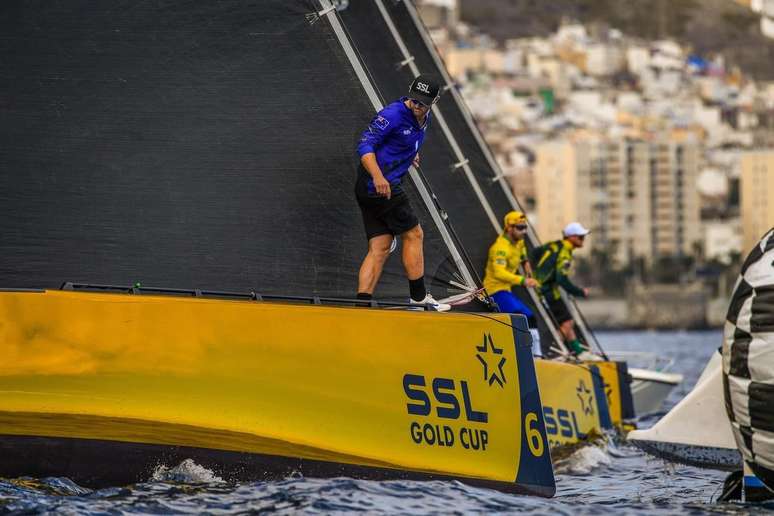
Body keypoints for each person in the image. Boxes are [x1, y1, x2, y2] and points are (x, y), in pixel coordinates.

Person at [354, 75, 450, 311]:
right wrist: (378, 177)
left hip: (372, 189)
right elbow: (365, 145)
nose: (417, 106)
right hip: (379, 187)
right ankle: (419, 299)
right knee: (414, 234)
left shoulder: (423, 117)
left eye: (423, 103)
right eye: (415, 101)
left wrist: (409, 153)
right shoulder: (393, 114)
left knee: (380, 247)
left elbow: (403, 140)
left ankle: (361, 305)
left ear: (434, 101)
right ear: (410, 93)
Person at [532, 222, 590, 355]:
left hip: (541, 289)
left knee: (567, 322)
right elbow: (561, 279)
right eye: (581, 237)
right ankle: (553, 351)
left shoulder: (554, 245)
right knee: (568, 322)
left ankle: (579, 352)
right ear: (571, 237)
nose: (583, 240)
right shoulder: (565, 252)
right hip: (548, 292)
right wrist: (580, 292)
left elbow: (534, 253)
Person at [483, 211, 540, 325]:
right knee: (522, 319)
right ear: (509, 228)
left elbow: (522, 251)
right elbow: (499, 273)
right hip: (495, 291)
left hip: (507, 290)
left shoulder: (519, 242)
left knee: (531, 319)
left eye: (525, 227)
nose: (524, 231)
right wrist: (523, 281)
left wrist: (525, 263)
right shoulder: (500, 248)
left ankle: (533, 343)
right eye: (520, 228)